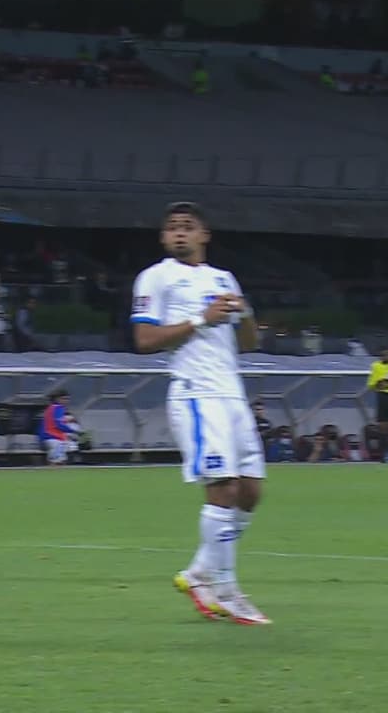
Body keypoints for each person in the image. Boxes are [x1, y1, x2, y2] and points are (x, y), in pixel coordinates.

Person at [130, 201, 269, 625]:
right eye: (172, 227)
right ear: (162, 238)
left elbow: (248, 342)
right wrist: (201, 319)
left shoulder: (223, 279)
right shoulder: (156, 277)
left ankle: (199, 573)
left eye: (188, 227)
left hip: (232, 394)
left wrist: (244, 313)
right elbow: (145, 338)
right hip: (196, 394)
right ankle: (226, 589)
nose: (179, 234)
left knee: (250, 491)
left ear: (204, 235)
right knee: (222, 488)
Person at [39, 390, 81, 466]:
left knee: (59, 461)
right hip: (54, 438)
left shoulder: (50, 408)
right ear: (57, 399)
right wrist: (74, 431)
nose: (67, 401)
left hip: (49, 438)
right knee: (57, 463)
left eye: (68, 399)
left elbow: (52, 422)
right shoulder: (59, 408)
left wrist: (67, 420)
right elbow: (59, 424)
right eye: (64, 399)